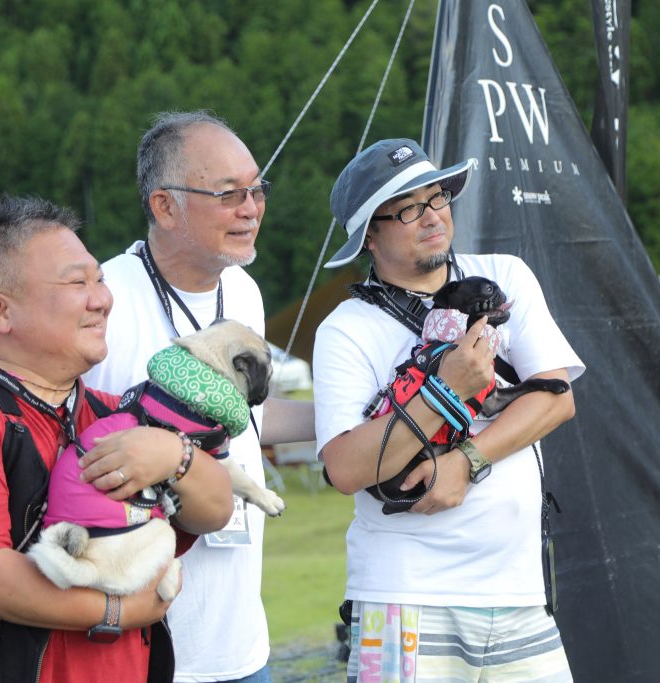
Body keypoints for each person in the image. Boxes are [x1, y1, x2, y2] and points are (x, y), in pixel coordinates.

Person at [0, 195, 233, 683]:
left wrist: (176, 456)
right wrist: (117, 612)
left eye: (99, 279)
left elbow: (214, 511)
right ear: (0, 311)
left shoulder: (109, 411)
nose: (102, 299)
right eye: (77, 283)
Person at [313, 139, 586, 682]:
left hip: (519, 590)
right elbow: (344, 467)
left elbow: (556, 399)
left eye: (437, 198)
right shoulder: (345, 328)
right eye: (407, 209)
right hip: (402, 596)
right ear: (369, 235)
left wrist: (465, 461)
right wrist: (444, 391)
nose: (432, 216)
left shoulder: (503, 277)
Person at [84, 110, 314, 683]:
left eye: (257, 189)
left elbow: (244, 420)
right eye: (229, 193)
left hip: (243, 648)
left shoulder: (243, 290)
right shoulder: (103, 302)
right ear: (165, 206)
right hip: (141, 649)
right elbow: (74, 456)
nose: (251, 208)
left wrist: (353, 415)